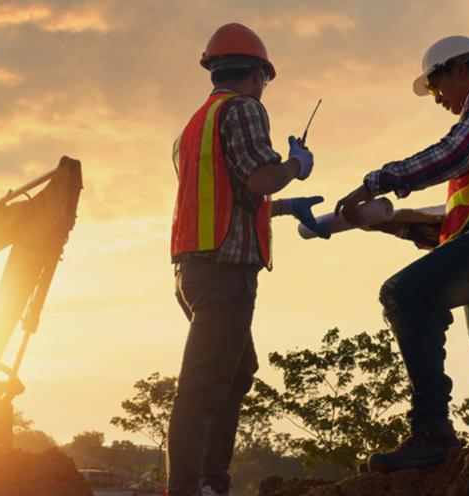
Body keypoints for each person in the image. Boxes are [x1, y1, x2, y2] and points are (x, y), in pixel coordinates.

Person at [335, 35, 469, 472]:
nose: (437, 100)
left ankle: (431, 428)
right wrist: (386, 221)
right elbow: (449, 234)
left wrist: (378, 181)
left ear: (461, 69)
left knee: (405, 294)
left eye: (436, 87)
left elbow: (455, 152)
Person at [168, 23, 329, 496]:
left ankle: (209, 481)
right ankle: (198, 487)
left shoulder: (194, 126)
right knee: (203, 387)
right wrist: (296, 167)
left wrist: (281, 209)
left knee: (237, 372)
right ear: (257, 74)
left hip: (192, 272)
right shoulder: (244, 110)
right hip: (226, 274)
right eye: (265, 80)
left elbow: (227, 196)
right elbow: (261, 179)